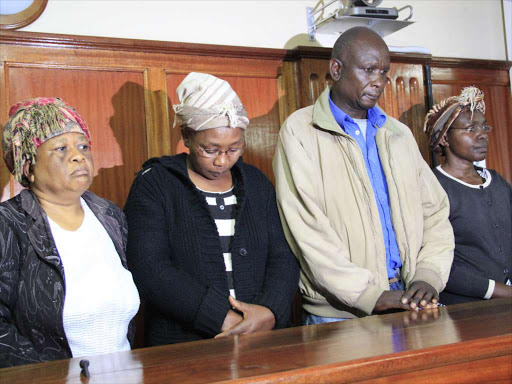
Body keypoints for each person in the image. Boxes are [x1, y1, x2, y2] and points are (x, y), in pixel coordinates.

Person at [273, 26, 454, 324]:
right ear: (336, 69)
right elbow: (306, 230)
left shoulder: (398, 134)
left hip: (408, 299)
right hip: (338, 313)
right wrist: (370, 295)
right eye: (369, 70)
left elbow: (435, 214)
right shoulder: (300, 131)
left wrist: (429, 276)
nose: (379, 81)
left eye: (384, 72)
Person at [124, 73, 299, 346]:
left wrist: (270, 310)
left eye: (234, 149)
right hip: (184, 344)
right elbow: (149, 267)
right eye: (211, 149)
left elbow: (283, 253)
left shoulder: (255, 182)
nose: (222, 161)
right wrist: (223, 318)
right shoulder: (155, 184)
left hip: (262, 338)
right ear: (186, 137)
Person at [0, 97, 140, 367]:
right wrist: (47, 376)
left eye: (83, 146)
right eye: (61, 148)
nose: (79, 156)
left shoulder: (109, 215)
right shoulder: (9, 223)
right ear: (28, 167)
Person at [424, 86, 512, 304]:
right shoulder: (432, 187)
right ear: (444, 138)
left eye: (484, 127)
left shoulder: (497, 181)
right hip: (462, 308)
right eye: (470, 128)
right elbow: (433, 262)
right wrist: (497, 290)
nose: (481, 135)